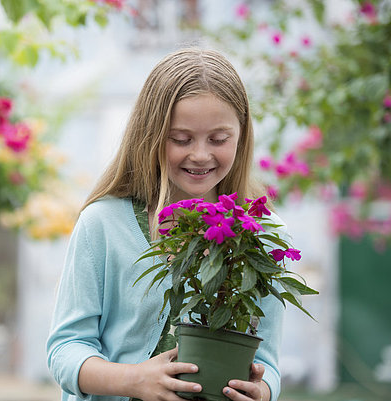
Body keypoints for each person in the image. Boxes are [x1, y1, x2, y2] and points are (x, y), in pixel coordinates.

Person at [46, 47, 289, 401]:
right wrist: (134, 381)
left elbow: (268, 364)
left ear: (242, 136)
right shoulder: (103, 224)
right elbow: (65, 350)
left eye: (219, 140)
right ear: (151, 135)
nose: (201, 154)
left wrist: (261, 393)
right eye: (181, 139)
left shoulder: (261, 236)